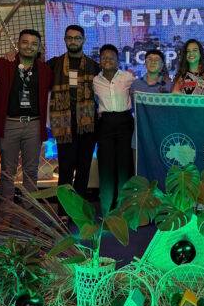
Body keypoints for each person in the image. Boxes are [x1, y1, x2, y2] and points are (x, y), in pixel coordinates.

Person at [0, 29, 53, 208]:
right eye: (25, 42)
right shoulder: (3, 64)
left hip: (33, 124)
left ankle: (29, 212)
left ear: (39, 47)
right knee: (7, 172)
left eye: (34, 44)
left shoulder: (45, 70)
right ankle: (7, 211)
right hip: (9, 124)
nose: (29, 47)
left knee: (31, 171)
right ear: (18, 44)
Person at [47, 25, 100, 203]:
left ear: (83, 40)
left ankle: (79, 210)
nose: (73, 41)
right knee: (65, 170)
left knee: (84, 170)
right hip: (64, 125)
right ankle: (64, 210)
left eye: (77, 38)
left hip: (88, 125)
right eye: (69, 38)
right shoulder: (54, 64)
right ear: (64, 40)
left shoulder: (94, 66)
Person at [94, 44, 136, 213]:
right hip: (105, 125)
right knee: (106, 166)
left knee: (125, 166)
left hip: (125, 123)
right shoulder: (95, 80)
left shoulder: (128, 77)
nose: (107, 60)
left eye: (111, 57)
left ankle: (123, 207)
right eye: (104, 57)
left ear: (118, 60)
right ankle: (106, 208)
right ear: (100, 61)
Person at [130, 49, 171, 162]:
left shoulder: (169, 86)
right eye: (149, 59)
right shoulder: (135, 84)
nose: (153, 62)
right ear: (145, 63)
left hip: (161, 136)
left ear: (162, 65)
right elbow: (132, 108)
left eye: (157, 60)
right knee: (138, 170)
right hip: (139, 137)